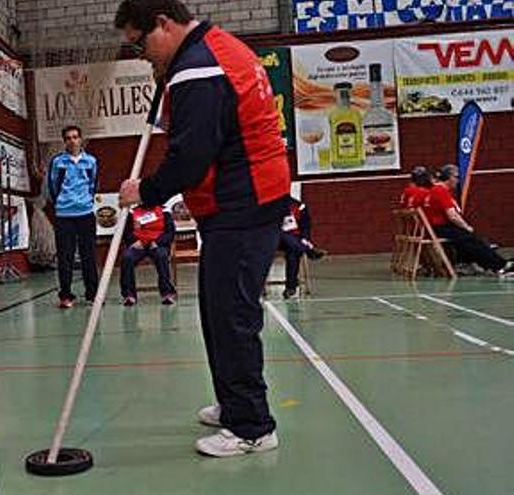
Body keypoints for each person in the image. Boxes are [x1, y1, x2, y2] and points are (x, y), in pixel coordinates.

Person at [115, 0, 291, 457]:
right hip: (242, 201)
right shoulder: (215, 48)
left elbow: (191, 158)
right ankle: (235, 403)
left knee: (231, 314)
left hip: (244, 202)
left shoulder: (199, 69)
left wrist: (146, 192)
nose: (142, 54)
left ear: (163, 24)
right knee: (217, 309)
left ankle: (252, 426)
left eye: (140, 44)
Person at [424, 165, 513, 277]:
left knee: (469, 239)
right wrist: (466, 226)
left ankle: (468, 264)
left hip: (437, 227)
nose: (458, 180)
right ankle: (500, 266)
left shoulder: (433, 190)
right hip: (442, 227)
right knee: (473, 240)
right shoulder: (441, 191)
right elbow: (453, 216)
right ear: (448, 177)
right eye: (456, 177)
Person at [46, 125, 99, 308]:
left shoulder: (91, 161)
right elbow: (52, 187)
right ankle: (66, 295)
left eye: (75, 137)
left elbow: (93, 185)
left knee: (89, 255)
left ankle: (92, 294)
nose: (72, 140)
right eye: (68, 137)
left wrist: (85, 202)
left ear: (81, 139)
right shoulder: (57, 162)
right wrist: (62, 202)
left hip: (85, 214)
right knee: (65, 256)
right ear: (64, 141)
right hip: (64, 215)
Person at [120, 205, 177, 305]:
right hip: (138, 244)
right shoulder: (132, 212)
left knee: (162, 256)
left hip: (157, 244)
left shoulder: (165, 211)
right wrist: (135, 241)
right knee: (127, 258)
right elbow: (126, 232)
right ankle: (129, 295)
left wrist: (158, 242)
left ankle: (167, 293)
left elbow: (170, 233)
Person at [279, 196, 326, 299]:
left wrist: (305, 238)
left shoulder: (298, 205)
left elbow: (305, 225)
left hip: (295, 240)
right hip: (276, 238)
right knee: (286, 238)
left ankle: (290, 288)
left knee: (293, 251)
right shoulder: (270, 205)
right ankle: (309, 250)